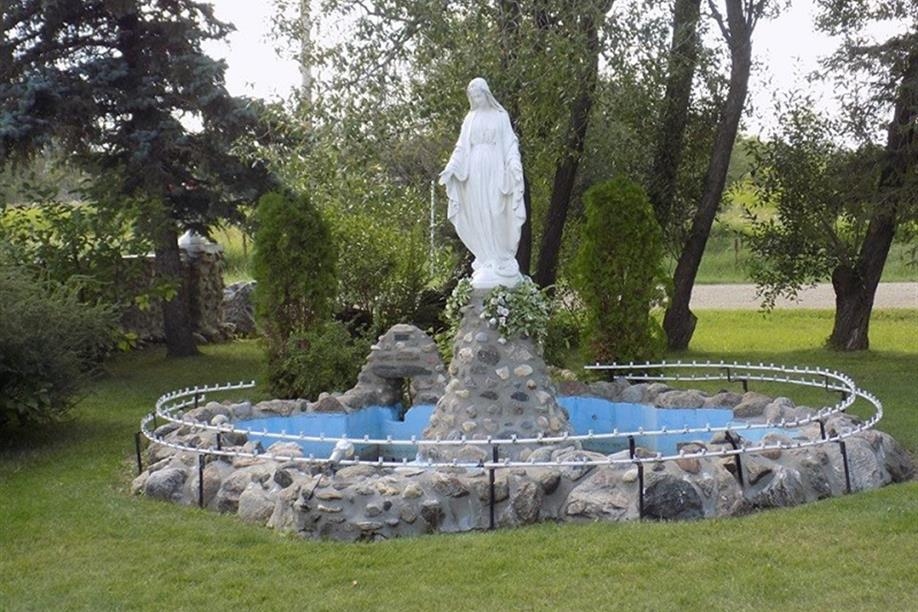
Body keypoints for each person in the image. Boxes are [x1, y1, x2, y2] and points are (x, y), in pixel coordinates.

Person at [439, 77, 525, 289]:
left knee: (496, 212)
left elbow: (510, 144)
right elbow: (461, 148)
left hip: (495, 169)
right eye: (473, 97)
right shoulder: (470, 118)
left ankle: (500, 259)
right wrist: (450, 168)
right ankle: (487, 260)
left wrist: (514, 165)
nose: (477, 100)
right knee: (479, 213)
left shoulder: (500, 116)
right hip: (475, 172)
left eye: (479, 95)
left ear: (486, 94)